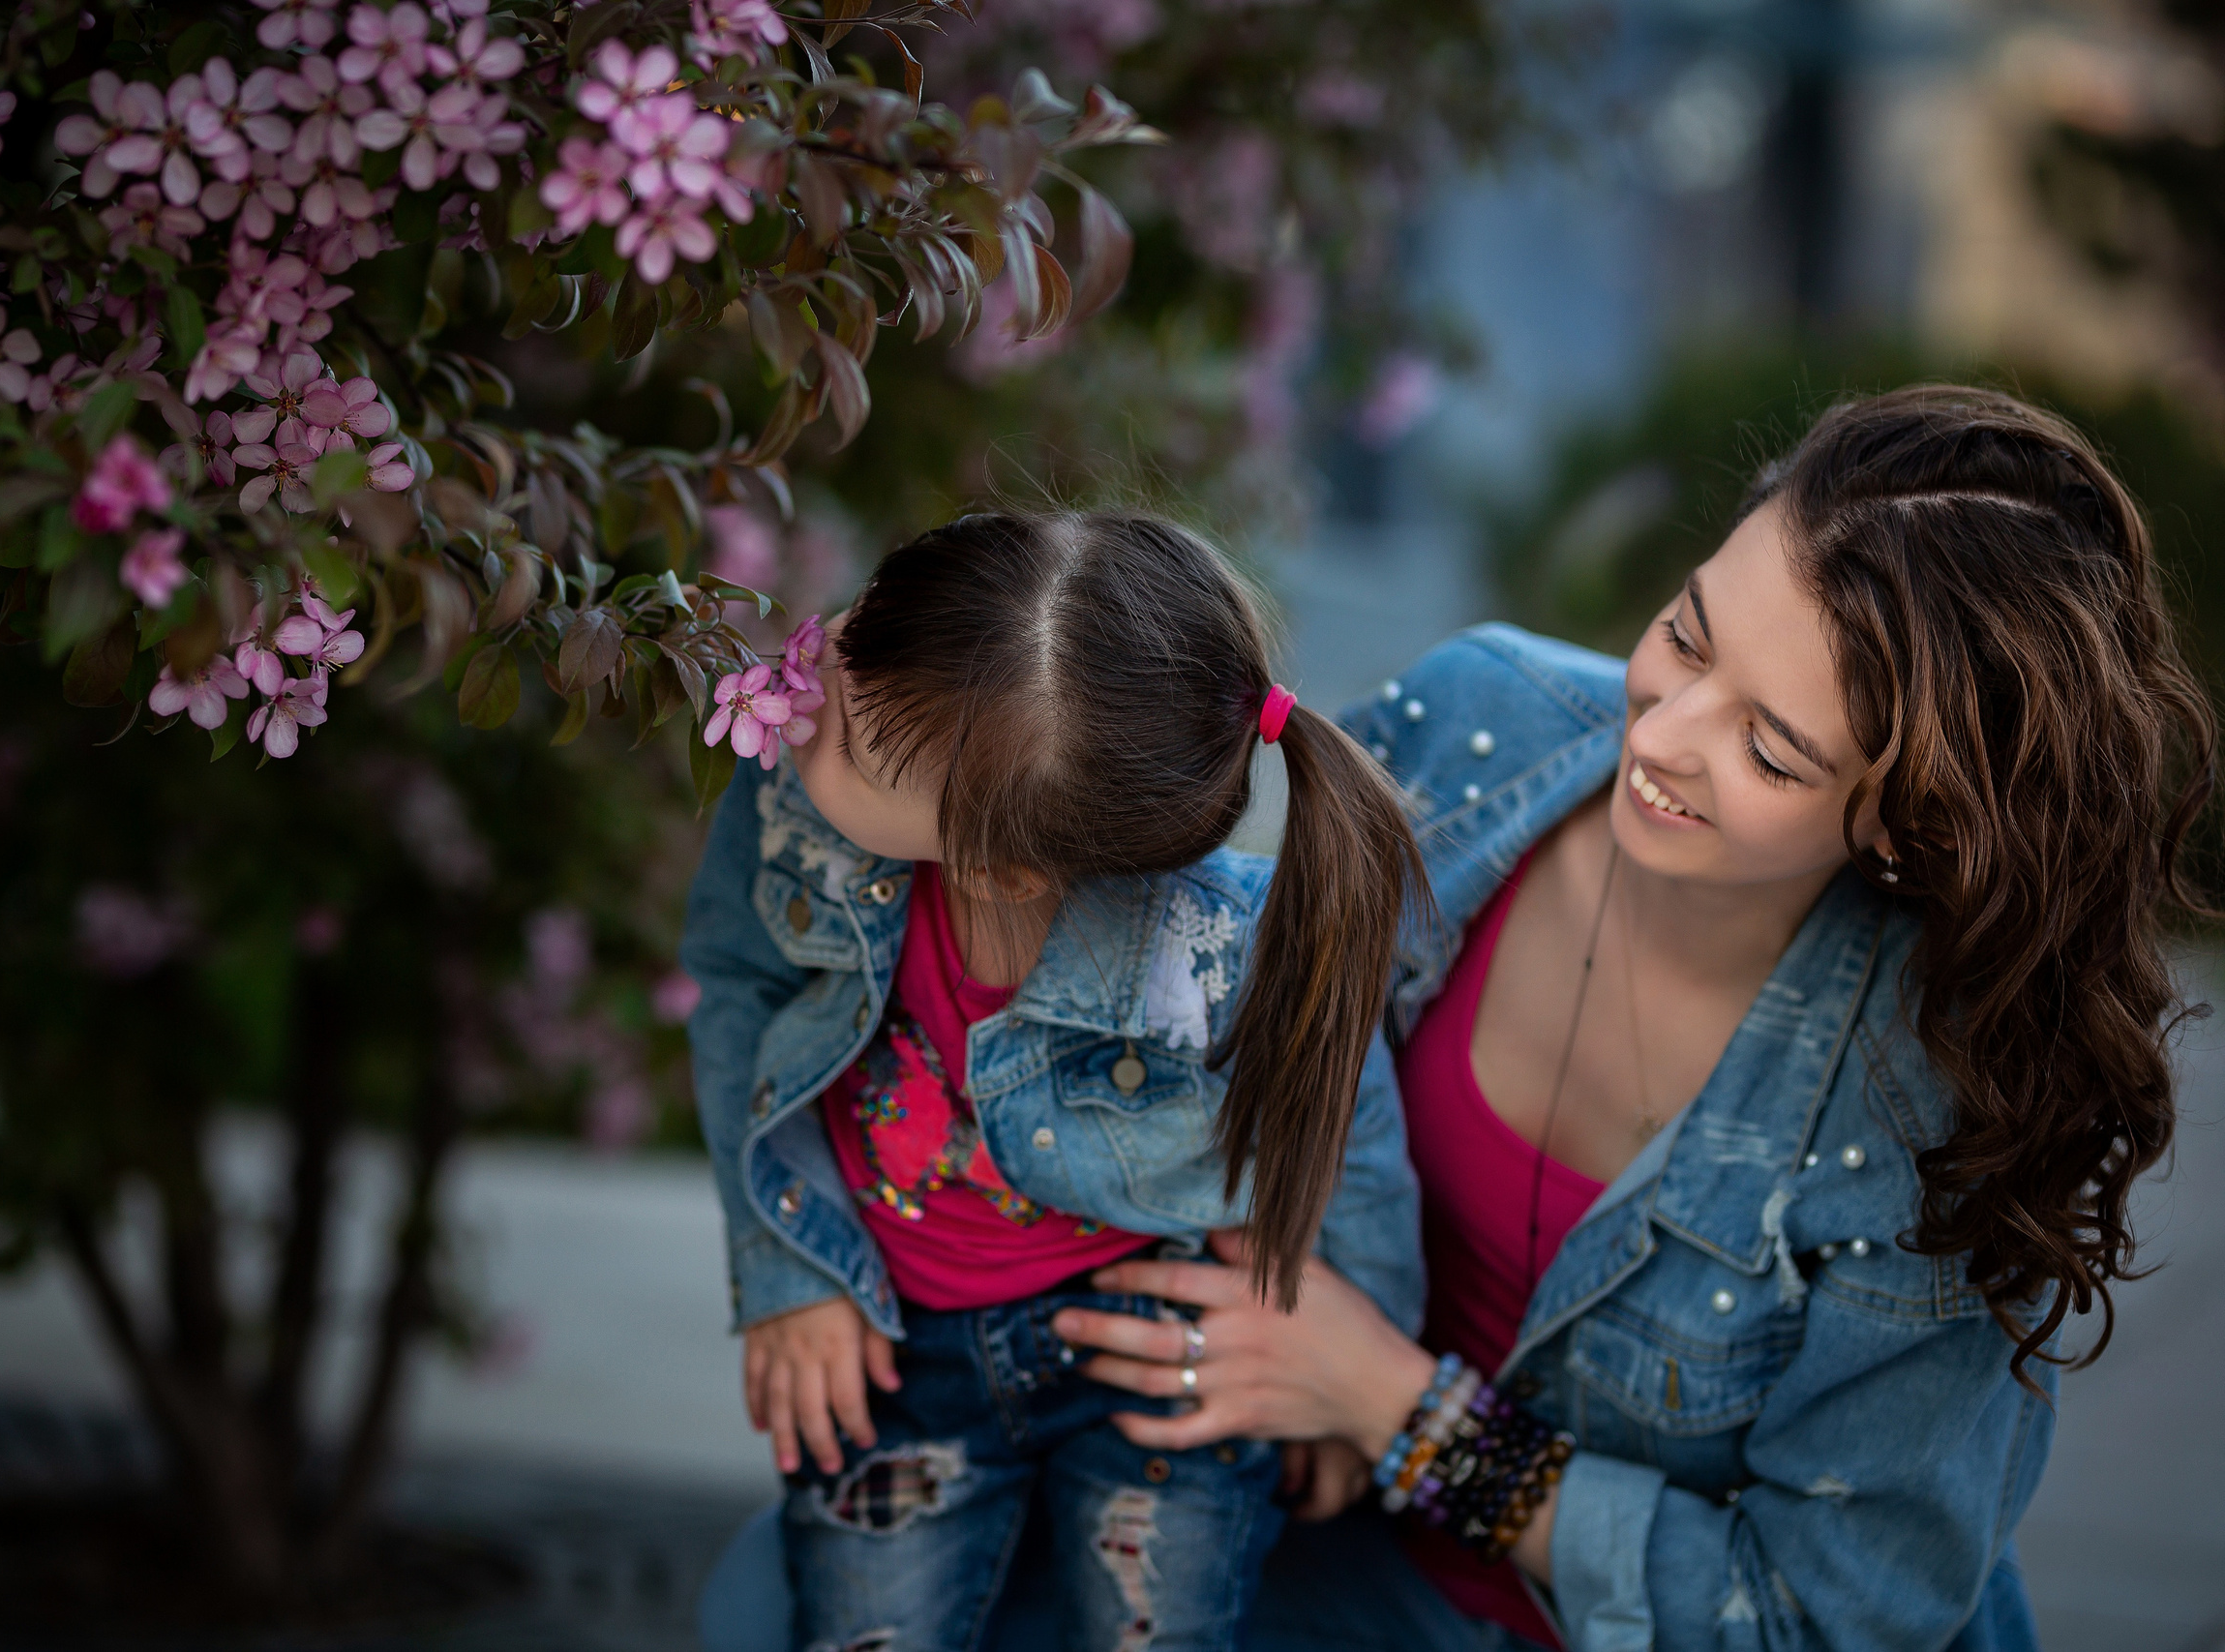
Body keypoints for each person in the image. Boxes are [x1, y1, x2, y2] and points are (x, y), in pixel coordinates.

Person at [1039, 385, 2212, 1649]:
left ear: (1908, 821)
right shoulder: (1474, 724)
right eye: (1687, 636)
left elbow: (1822, 1615)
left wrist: (1393, 1406)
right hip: (1325, 1550)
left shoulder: (1934, 1116)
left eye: (1774, 751)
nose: (1661, 733)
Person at [680, 511, 1429, 1652]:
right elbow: (737, 991)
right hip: (900, 1353)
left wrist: (1336, 1382)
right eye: (864, 619)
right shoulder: (792, 814)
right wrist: (785, 1272)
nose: (816, 692)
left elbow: (1344, 1127)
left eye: (860, 748)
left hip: (1150, 1364)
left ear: (997, 864)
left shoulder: (1216, 949)